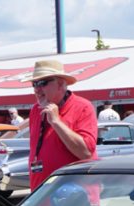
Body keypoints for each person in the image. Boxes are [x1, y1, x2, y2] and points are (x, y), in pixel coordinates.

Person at [27, 59, 98, 190]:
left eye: (42, 83)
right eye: (34, 84)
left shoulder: (83, 107)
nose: (37, 89)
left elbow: (86, 152)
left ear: (60, 84)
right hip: (41, 197)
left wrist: (56, 121)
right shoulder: (35, 110)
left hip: (75, 198)